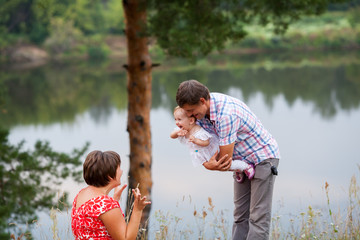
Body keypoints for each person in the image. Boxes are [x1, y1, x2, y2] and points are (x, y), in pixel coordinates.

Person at [176, 80, 280, 240]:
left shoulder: (226, 114)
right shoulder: (201, 112)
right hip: (240, 162)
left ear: (203, 101)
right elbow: (202, 141)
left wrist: (209, 166)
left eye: (191, 111)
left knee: (258, 218)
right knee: (240, 215)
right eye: (187, 112)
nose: (190, 116)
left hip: (262, 158)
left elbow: (224, 159)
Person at [71, 150, 151, 240]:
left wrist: (115, 200)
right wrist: (137, 209)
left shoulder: (81, 194)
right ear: (109, 176)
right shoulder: (106, 204)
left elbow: (96, 226)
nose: (121, 171)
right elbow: (126, 238)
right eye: (119, 168)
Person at [170, 106, 255, 182]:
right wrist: (177, 133)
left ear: (191, 120)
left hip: (210, 151)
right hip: (200, 152)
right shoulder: (182, 129)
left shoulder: (198, 131)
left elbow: (206, 143)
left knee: (223, 164)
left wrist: (196, 140)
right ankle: (239, 169)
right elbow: (172, 135)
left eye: (179, 119)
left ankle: (245, 166)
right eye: (175, 119)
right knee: (222, 167)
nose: (177, 122)